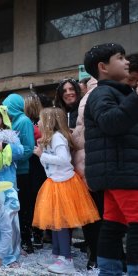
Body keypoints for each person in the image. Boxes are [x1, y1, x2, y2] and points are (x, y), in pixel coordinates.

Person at [83, 43, 138, 275]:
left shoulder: (116, 92)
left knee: (114, 225)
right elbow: (110, 122)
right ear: (103, 67)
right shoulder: (101, 93)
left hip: (117, 170)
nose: (127, 62)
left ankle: (108, 271)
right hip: (121, 171)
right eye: (121, 57)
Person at [32, 107, 100, 274]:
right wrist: (42, 153)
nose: (38, 123)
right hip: (55, 182)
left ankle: (66, 259)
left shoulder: (57, 138)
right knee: (55, 222)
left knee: (60, 223)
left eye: (40, 119)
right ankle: (57, 255)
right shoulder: (50, 139)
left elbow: (63, 160)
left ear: (49, 121)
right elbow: (48, 165)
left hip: (63, 184)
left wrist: (43, 155)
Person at [71, 77, 101, 269]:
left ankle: (97, 256)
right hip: (90, 166)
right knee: (96, 216)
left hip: (88, 166)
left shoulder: (90, 98)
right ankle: (98, 256)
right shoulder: (95, 96)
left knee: (95, 216)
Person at [2, 93, 35, 253]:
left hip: (22, 171)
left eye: (7, 107)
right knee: (13, 206)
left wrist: (10, 155)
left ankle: (26, 240)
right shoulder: (10, 123)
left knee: (23, 206)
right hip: (10, 171)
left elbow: (28, 148)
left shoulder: (24, 121)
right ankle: (16, 240)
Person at [23, 93, 49, 249]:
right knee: (37, 199)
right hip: (40, 165)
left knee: (30, 200)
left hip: (32, 164)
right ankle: (38, 234)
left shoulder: (29, 124)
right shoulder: (42, 123)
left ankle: (35, 234)